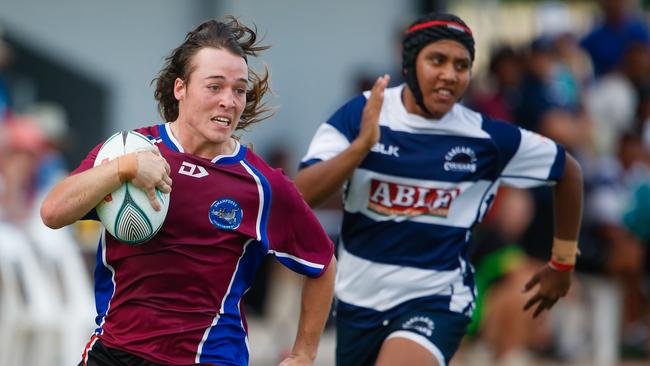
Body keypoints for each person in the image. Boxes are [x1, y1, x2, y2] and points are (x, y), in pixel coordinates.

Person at [40, 17, 336, 366]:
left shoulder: (261, 184)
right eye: (215, 87)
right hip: (114, 354)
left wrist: (304, 353)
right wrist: (125, 169)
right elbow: (53, 212)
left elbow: (322, 263)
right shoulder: (126, 151)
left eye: (239, 90)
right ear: (180, 88)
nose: (229, 101)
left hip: (208, 359)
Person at [295, 12, 583, 366]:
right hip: (358, 302)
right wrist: (360, 147)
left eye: (462, 65)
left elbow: (568, 171)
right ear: (409, 64)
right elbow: (301, 194)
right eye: (437, 60)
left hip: (436, 301)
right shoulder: (361, 114)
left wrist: (563, 262)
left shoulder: (485, 137)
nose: (449, 74)